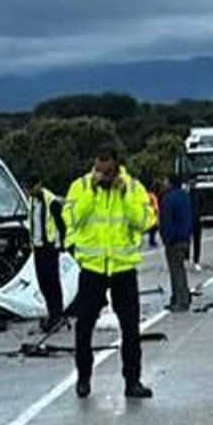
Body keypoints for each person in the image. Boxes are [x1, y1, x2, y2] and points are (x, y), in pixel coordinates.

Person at [63, 144, 154, 400]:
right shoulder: (80, 186)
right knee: (84, 327)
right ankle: (83, 378)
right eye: (98, 170)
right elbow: (72, 219)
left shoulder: (133, 187)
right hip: (92, 268)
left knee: (131, 329)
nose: (102, 176)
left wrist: (124, 196)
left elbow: (144, 222)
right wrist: (91, 192)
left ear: (116, 167)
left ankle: (132, 381)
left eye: (107, 171)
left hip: (123, 268)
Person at [26, 177, 68, 331]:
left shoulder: (51, 201)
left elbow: (61, 224)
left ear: (39, 184)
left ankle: (57, 314)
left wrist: (63, 244)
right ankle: (52, 313)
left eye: (32, 188)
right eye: (27, 189)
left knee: (52, 282)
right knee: (43, 282)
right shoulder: (32, 201)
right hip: (38, 247)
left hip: (50, 247)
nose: (29, 192)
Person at [159, 175, 194, 310]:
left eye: (165, 181)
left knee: (176, 271)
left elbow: (166, 222)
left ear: (170, 183)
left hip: (174, 241)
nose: (163, 183)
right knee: (180, 269)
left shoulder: (167, 199)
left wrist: (167, 239)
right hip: (185, 238)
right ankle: (178, 297)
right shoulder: (184, 196)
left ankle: (181, 300)